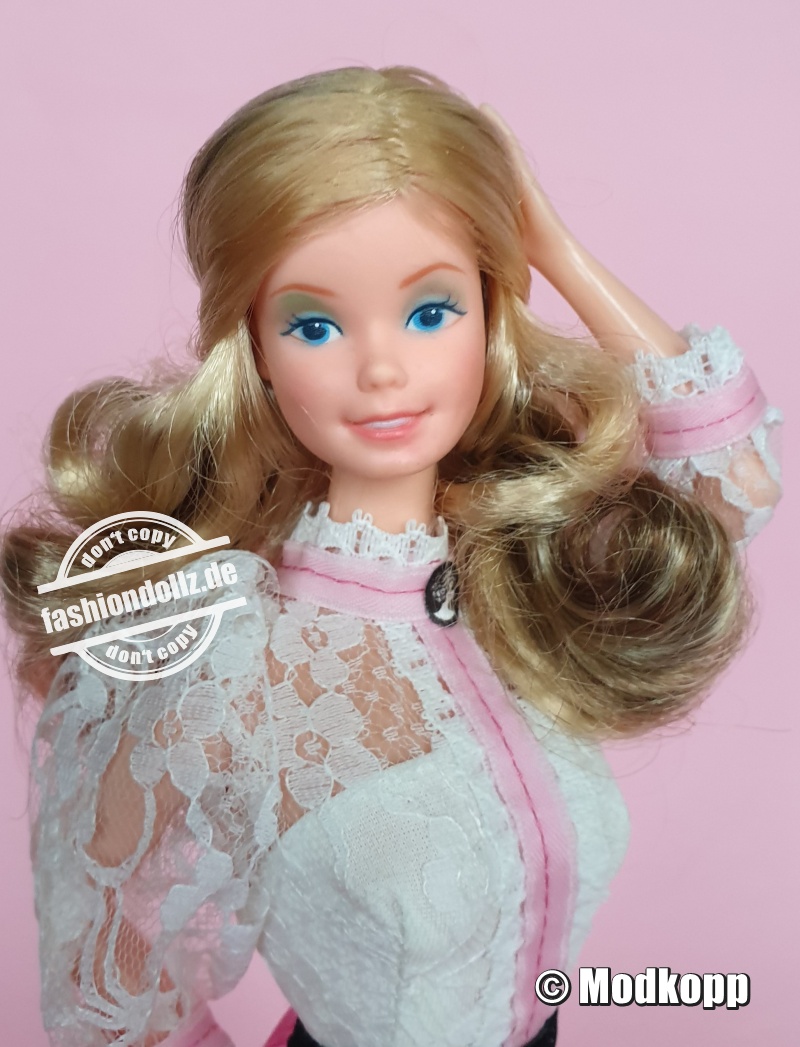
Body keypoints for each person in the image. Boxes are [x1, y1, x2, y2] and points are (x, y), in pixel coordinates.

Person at [0, 65, 783, 1047]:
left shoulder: (516, 562)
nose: (380, 369)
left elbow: (735, 483)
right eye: (314, 324)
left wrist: (548, 246)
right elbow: (111, 991)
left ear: (491, 311)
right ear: (254, 349)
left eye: (431, 310)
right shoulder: (232, 664)